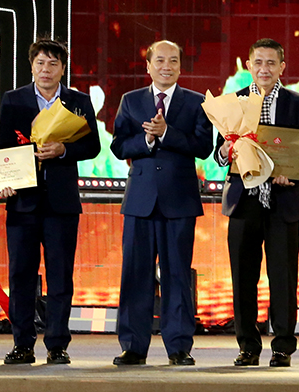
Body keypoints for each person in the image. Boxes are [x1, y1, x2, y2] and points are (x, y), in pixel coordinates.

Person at [0, 38, 101, 365]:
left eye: (53, 64)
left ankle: (57, 344)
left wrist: (64, 150)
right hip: (22, 203)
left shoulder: (78, 102)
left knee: (60, 276)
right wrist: (2, 181)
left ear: (63, 68)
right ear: (31, 66)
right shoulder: (13, 100)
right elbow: (2, 148)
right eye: (40, 63)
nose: (46, 69)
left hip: (61, 204)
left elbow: (93, 147)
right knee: (21, 277)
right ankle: (22, 344)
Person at [214, 38, 299, 368]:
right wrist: (226, 150)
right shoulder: (234, 103)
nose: (264, 69)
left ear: (282, 67)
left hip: (283, 202)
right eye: (258, 62)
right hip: (244, 202)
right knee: (243, 278)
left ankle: (283, 346)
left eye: (271, 63)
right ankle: (248, 346)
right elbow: (219, 154)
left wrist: (293, 175)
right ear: (248, 65)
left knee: (283, 277)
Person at [110, 40, 213, 366]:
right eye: (160, 60)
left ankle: (179, 346)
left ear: (181, 67)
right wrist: (147, 139)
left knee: (177, 275)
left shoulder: (196, 103)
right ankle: (132, 346)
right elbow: (118, 146)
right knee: (135, 274)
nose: (166, 66)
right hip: (140, 202)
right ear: (148, 66)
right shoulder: (131, 100)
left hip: (179, 200)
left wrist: (168, 133)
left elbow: (204, 147)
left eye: (173, 61)